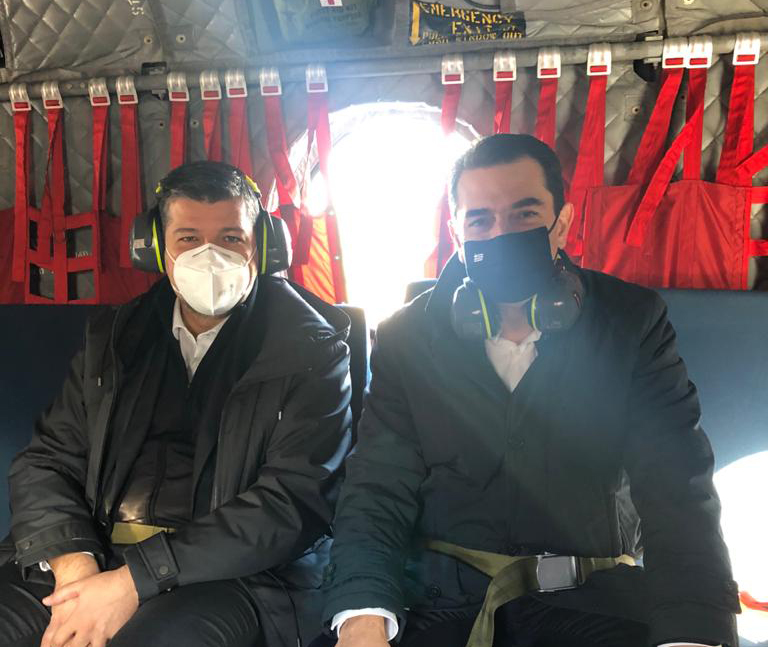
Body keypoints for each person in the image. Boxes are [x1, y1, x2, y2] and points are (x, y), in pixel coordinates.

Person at [321, 134, 739, 647]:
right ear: (456, 232)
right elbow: (377, 486)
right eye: (480, 221)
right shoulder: (407, 337)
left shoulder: (631, 322)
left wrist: (693, 631)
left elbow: (676, 486)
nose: (501, 235)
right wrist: (364, 612)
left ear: (561, 222)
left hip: (594, 602)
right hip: (440, 603)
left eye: (524, 214)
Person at [0, 161, 352, 647]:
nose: (210, 256)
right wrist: (75, 566)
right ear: (156, 249)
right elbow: (46, 461)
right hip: (92, 551)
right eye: (189, 238)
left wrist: (134, 581)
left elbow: (290, 502)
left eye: (231, 238)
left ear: (263, 246)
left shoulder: (311, 349)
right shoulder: (114, 337)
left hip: (230, 578)